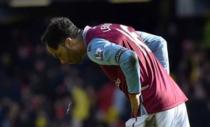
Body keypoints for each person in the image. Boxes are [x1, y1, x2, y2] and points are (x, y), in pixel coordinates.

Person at [41, 17, 190, 127]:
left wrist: (134, 95)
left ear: (68, 42)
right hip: (176, 102)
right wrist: (163, 82)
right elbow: (159, 42)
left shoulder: (94, 47)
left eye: (59, 54)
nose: (62, 61)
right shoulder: (113, 29)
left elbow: (128, 58)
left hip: (154, 108)